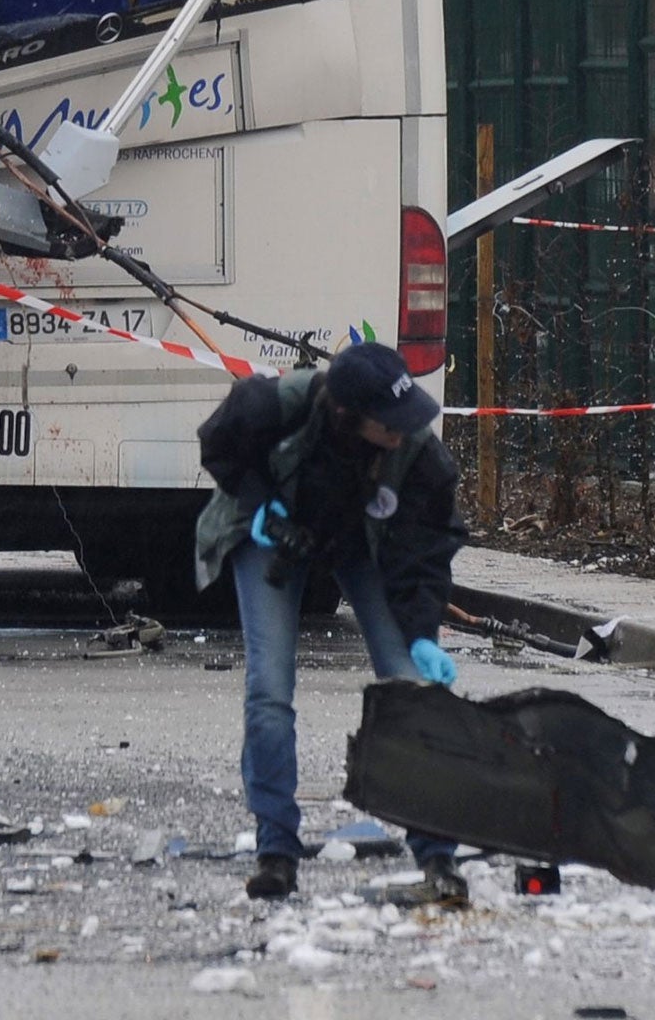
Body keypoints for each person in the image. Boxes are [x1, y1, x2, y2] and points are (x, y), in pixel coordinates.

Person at [194, 342, 468, 903]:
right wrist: (261, 500)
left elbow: (425, 548)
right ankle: (276, 851)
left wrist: (420, 631)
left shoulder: (417, 456)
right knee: (269, 689)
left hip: (361, 545)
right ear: (348, 415)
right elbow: (219, 444)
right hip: (274, 530)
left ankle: (438, 853)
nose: (403, 429)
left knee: (409, 689)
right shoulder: (273, 405)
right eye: (388, 422)